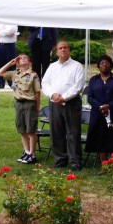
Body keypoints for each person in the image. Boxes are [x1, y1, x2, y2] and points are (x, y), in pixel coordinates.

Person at [41, 40, 85, 170]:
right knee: (56, 132)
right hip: (55, 103)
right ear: (56, 52)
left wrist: (64, 97)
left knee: (73, 132)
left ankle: (75, 161)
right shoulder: (52, 66)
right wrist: (53, 95)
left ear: (69, 50)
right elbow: (45, 83)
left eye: (65, 47)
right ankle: (60, 159)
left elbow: (78, 86)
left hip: (71, 103)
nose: (63, 50)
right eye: (60, 48)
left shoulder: (77, 66)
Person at [0, 52, 41, 164]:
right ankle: (26, 152)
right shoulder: (14, 74)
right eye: (20, 58)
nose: (23, 59)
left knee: (30, 130)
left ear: (29, 62)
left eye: (25, 58)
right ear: (17, 63)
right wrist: (10, 63)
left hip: (29, 103)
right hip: (18, 103)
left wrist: (37, 107)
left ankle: (32, 154)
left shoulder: (33, 75)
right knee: (22, 129)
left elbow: (37, 93)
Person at [86, 54, 113, 163]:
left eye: (107, 63)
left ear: (111, 66)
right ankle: (104, 164)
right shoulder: (93, 80)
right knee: (100, 137)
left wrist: (109, 105)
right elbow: (90, 97)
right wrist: (100, 106)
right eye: (102, 63)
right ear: (98, 66)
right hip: (98, 113)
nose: (104, 65)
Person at [0, 22, 18, 89]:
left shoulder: (12, 21)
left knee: (11, 64)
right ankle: (0, 83)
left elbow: (10, 31)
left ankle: (11, 82)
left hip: (9, 45)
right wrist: (3, 33)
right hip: (0, 45)